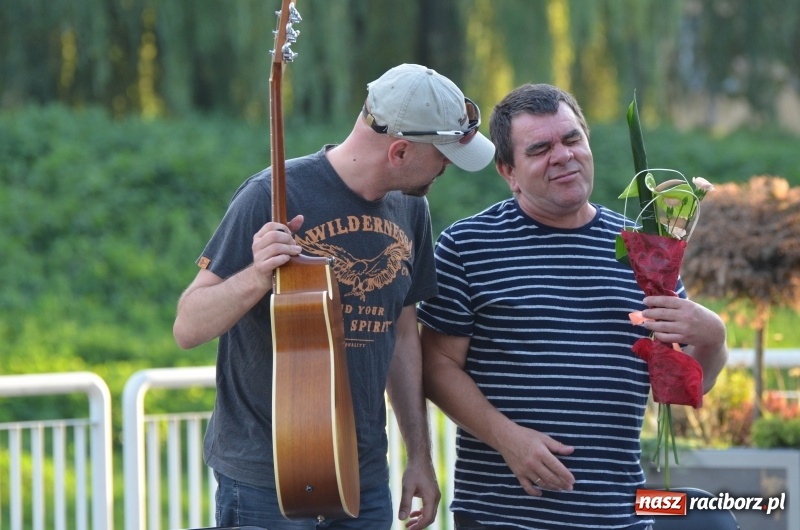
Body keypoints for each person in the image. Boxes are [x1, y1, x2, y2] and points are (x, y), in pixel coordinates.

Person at [172, 63, 495, 530]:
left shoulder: (413, 207)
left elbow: (403, 336)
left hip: (361, 481)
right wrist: (257, 276)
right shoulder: (271, 195)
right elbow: (187, 326)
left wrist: (419, 456)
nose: (447, 165)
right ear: (400, 151)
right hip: (267, 483)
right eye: (443, 154)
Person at [417, 83, 728, 530]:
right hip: (502, 515)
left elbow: (677, 391)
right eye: (540, 148)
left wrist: (713, 337)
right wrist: (507, 439)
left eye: (571, 139)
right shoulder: (468, 246)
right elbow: (437, 366)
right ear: (508, 170)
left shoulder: (643, 249)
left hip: (616, 515)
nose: (562, 156)